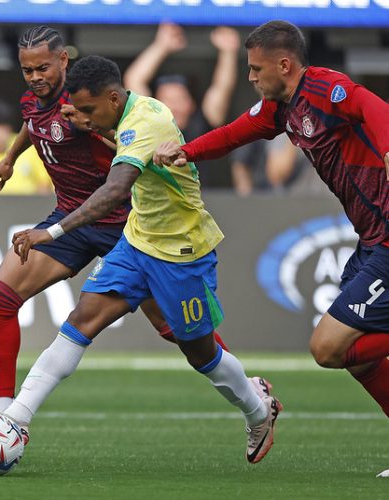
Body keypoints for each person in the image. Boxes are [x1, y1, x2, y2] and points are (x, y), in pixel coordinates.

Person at [0, 26, 231, 438]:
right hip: (71, 217)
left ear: (64, 60)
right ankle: (5, 419)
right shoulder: (33, 100)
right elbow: (34, 123)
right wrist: (10, 158)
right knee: (1, 295)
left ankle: (248, 385)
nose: (35, 77)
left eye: (43, 67)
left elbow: (128, 147)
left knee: (179, 331)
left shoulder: (87, 104)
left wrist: (92, 127)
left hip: (124, 225)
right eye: (27, 70)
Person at [4, 55, 282, 464]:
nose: (82, 118)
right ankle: (14, 419)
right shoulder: (124, 115)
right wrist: (92, 126)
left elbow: (115, 190)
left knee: (201, 354)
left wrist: (53, 231)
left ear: (114, 98)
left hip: (182, 252)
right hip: (137, 244)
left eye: (88, 110)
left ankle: (258, 410)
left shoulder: (146, 122)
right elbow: (116, 141)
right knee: (81, 321)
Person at [153, 20, 389, 426]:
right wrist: (186, 152)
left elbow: (374, 106)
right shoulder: (283, 108)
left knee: (328, 347)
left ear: (284, 65)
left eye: (256, 69)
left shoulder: (323, 88)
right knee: (354, 357)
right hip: (372, 239)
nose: (251, 77)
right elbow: (232, 134)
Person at [123, 23, 241, 187]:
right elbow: (134, 80)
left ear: (191, 104)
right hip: (158, 206)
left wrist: (228, 51)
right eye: (167, 100)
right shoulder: (151, 124)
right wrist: (161, 46)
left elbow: (222, 87)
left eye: (179, 99)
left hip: (198, 205)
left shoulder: (203, 123)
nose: (174, 106)